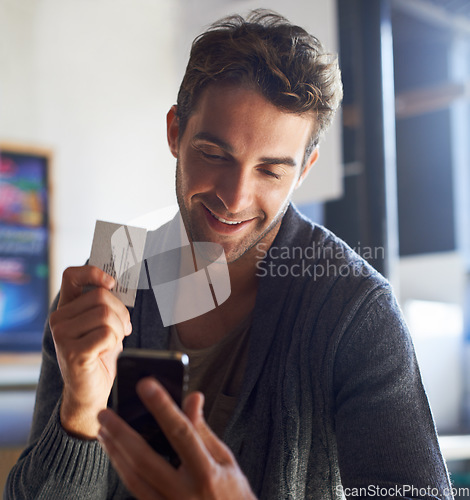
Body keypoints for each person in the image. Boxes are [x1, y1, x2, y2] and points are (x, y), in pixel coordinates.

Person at [5, 9, 453, 500]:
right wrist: (81, 409)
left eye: (271, 171)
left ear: (305, 170)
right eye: (215, 155)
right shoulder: (115, 275)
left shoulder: (353, 309)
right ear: (176, 131)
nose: (235, 198)